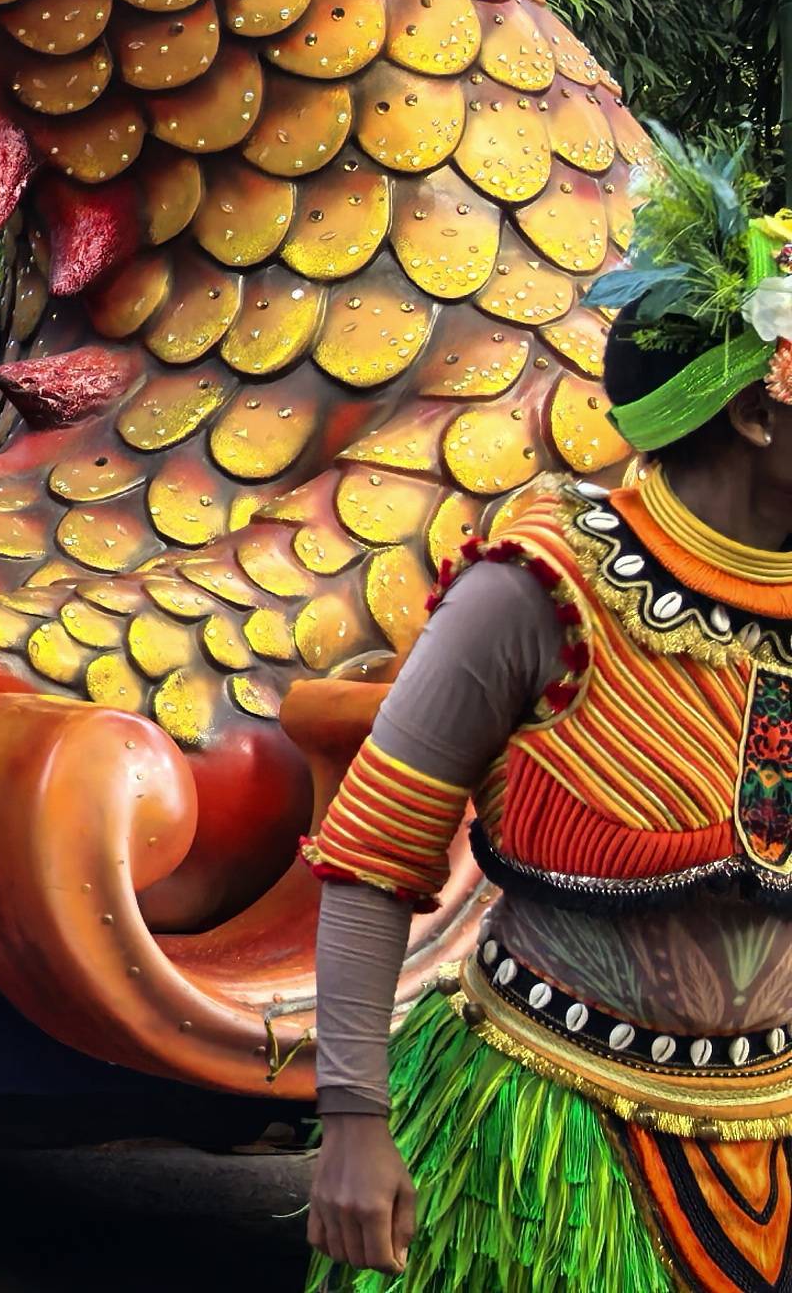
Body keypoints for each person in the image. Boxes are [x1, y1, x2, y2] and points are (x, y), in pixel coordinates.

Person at [306, 125, 792, 1293]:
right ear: (755, 411)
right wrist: (353, 1122)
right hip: (538, 1147)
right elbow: (370, 856)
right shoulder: (539, 585)